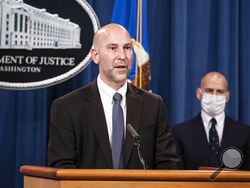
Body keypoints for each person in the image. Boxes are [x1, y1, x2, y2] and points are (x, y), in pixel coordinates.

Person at [47, 23, 180, 169]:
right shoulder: (68, 107)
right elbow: (61, 167)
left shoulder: (153, 105)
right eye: (113, 48)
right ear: (95, 56)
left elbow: (168, 165)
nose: (122, 56)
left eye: (127, 48)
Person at [172, 72, 250, 170]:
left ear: (227, 96)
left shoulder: (245, 133)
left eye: (220, 92)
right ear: (198, 93)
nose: (214, 95)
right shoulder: (180, 132)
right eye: (209, 90)